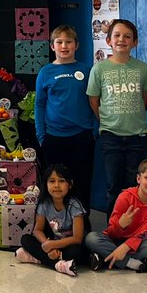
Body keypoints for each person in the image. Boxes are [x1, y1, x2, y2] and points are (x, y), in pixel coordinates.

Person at [86, 19, 147, 214]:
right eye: (117, 35)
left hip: (137, 136)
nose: (121, 39)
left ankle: (132, 230)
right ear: (108, 41)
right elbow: (93, 100)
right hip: (110, 136)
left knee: (134, 186)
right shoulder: (99, 69)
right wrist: (106, 121)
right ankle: (113, 230)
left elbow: (144, 99)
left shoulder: (142, 68)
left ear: (135, 42)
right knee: (113, 186)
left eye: (127, 36)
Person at [34, 25, 97, 213]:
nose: (64, 46)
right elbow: (39, 105)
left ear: (76, 45)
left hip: (82, 137)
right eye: (59, 42)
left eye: (68, 41)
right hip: (53, 138)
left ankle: (82, 227)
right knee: (55, 185)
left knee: (82, 183)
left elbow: (94, 101)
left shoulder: (87, 70)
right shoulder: (45, 72)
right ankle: (55, 227)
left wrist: (94, 131)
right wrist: (41, 136)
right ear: (52, 46)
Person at [85, 158, 147, 273]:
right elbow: (111, 232)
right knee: (91, 238)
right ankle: (133, 264)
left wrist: (125, 247)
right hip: (114, 241)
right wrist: (121, 224)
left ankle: (107, 258)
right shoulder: (125, 197)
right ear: (139, 179)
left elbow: (145, 233)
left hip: (136, 245)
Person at [14, 163, 88, 276]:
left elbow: (77, 238)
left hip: (69, 246)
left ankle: (36, 258)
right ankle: (59, 265)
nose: (57, 185)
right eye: (52, 181)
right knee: (25, 239)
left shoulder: (75, 206)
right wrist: (47, 245)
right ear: (46, 184)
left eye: (62, 181)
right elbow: (37, 230)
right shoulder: (44, 204)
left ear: (70, 184)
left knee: (76, 252)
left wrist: (52, 245)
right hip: (52, 244)